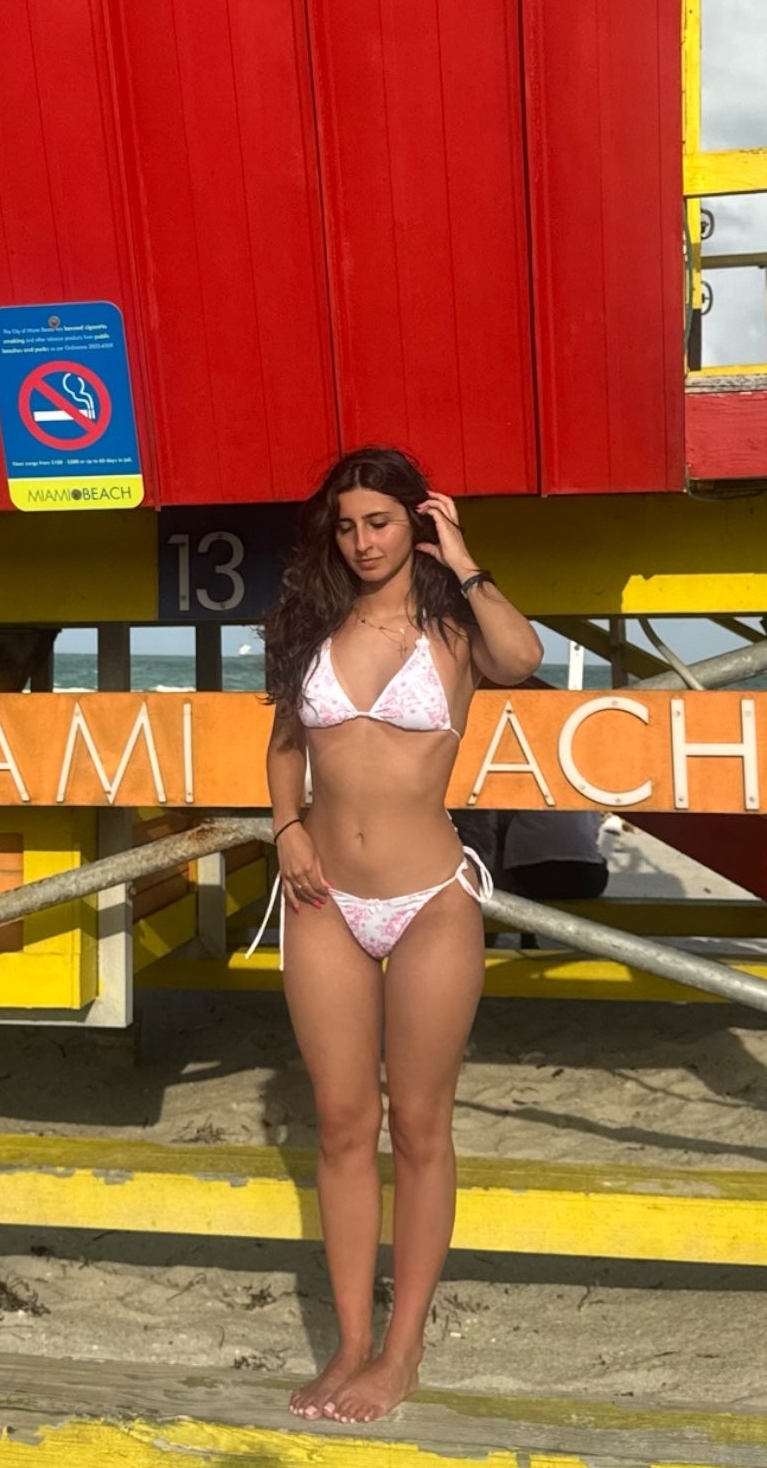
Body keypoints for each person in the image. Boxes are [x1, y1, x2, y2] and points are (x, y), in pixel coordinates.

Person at [259, 446, 542, 1422]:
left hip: (428, 901)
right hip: (323, 901)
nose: (361, 540)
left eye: (379, 521)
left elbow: (523, 659)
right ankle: (349, 1343)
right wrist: (286, 826)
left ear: (414, 522)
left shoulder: (455, 629)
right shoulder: (313, 625)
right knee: (342, 1123)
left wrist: (462, 558)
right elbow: (286, 743)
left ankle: (403, 1346)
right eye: (345, 525)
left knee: (419, 1125)